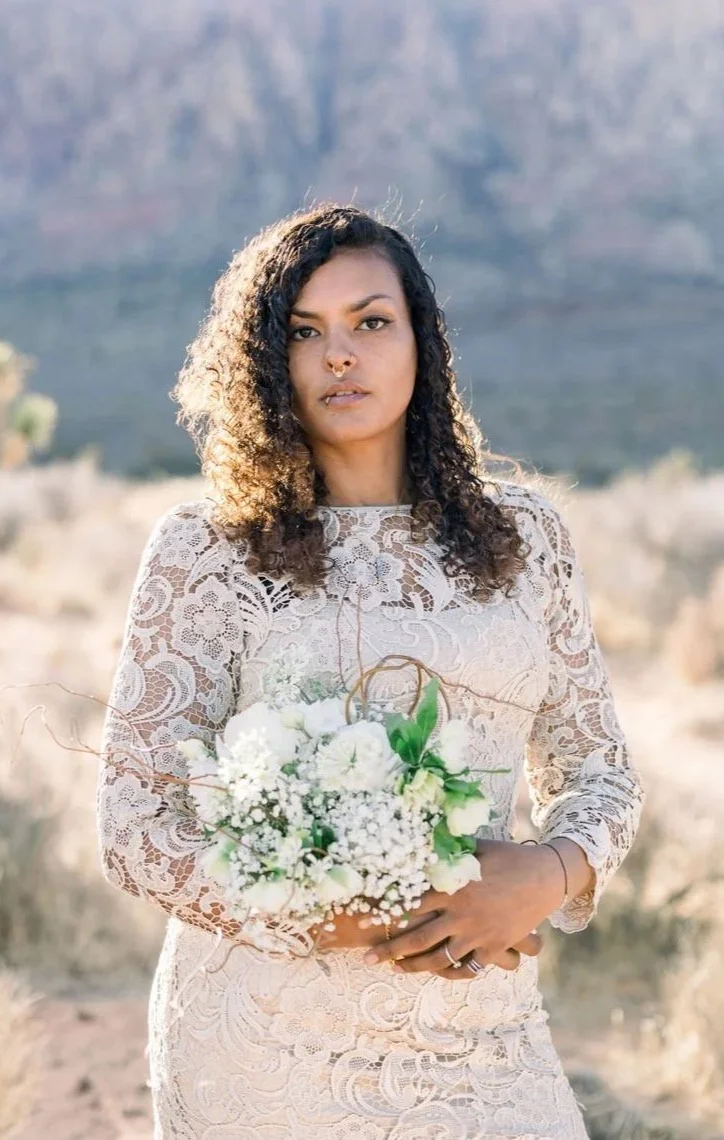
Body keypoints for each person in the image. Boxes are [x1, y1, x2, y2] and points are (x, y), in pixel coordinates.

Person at [97, 204, 644, 1138]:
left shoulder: (527, 539)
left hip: (483, 1021)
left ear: (422, 341)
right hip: (265, 1038)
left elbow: (598, 773)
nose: (339, 354)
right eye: (303, 333)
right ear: (268, 363)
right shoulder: (205, 552)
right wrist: (346, 912)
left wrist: (549, 874)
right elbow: (136, 824)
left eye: (370, 321)